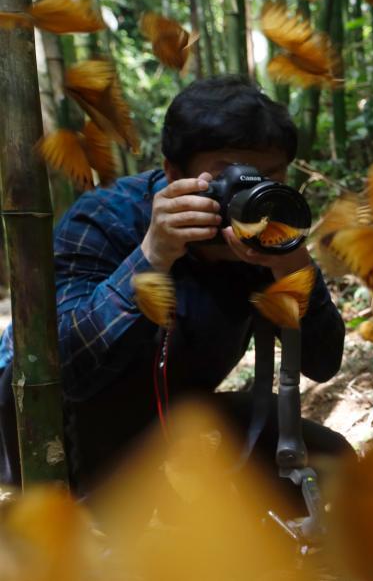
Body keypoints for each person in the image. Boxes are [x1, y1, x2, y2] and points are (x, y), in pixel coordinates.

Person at [0, 76, 349, 504]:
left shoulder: (265, 231)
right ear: (172, 174)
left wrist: (293, 268)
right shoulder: (105, 219)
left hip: (177, 415)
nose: (252, 194)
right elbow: (67, 371)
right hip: (70, 423)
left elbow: (322, 361)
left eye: (269, 176)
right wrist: (153, 254)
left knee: (336, 467)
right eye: (231, 178)